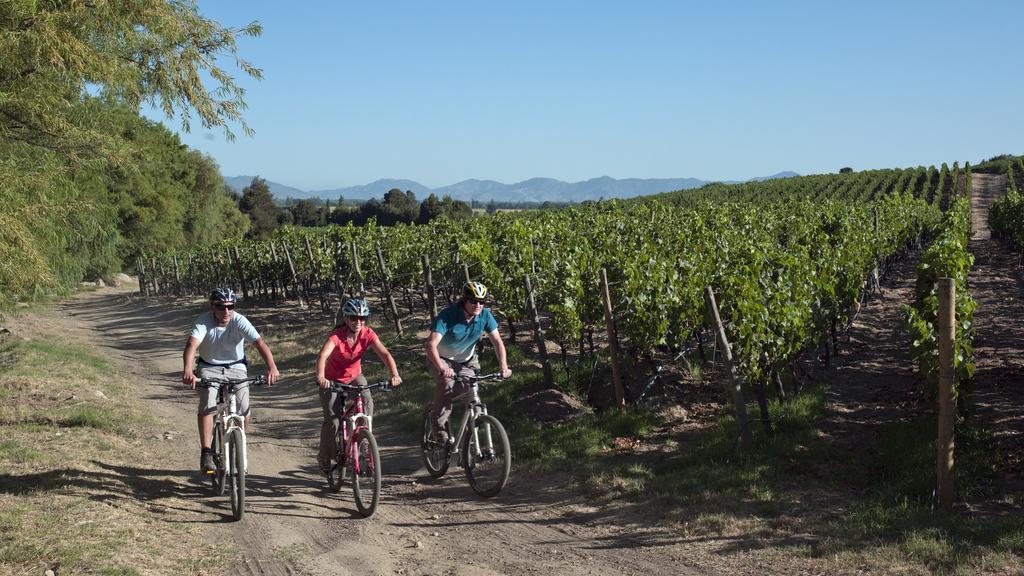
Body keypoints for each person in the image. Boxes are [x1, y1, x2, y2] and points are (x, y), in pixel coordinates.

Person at [183, 288, 280, 474]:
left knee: (244, 409)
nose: (226, 311)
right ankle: (207, 452)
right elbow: (192, 345)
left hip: (236, 367)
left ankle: (238, 440)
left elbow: (259, 343)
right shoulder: (204, 321)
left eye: (230, 306)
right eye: (221, 307)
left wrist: (272, 367)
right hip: (209, 367)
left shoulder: (239, 320)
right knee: (208, 405)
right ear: (213, 307)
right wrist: (188, 371)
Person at [315, 298, 402, 475]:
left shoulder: (368, 334)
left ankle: (364, 438)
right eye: (354, 318)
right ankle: (324, 455)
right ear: (346, 319)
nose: (358, 322)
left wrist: (395, 374)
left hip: (354, 376)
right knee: (333, 420)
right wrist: (321, 377)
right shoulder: (337, 336)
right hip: (332, 380)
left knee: (367, 400)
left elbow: (384, 354)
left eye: (363, 318)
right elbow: (323, 355)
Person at [424, 281, 512, 443]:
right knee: (446, 382)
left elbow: (497, 342)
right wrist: (441, 366)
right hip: (439, 358)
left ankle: (467, 439)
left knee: (472, 392)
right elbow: (430, 346)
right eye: (473, 301)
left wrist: (503, 367)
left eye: (482, 301)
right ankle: (438, 425)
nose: (478, 305)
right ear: (464, 300)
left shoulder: (484, 315)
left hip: (465, 361)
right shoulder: (448, 315)